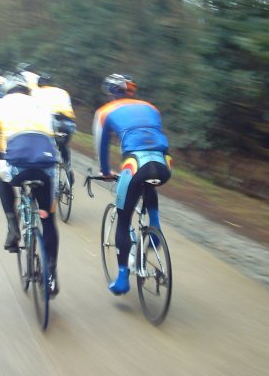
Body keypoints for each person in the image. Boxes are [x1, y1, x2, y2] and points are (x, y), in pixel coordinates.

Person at [93, 74, 172, 295]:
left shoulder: (105, 112)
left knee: (123, 219)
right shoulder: (151, 107)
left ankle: (121, 278)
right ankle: (154, 225)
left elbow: (102, 147)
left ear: (110, 93)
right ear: (131, 91)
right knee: (149, 185)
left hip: (135, 165)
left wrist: (106, 171)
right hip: (163, 165)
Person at [0, 74, 61, 297]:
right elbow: (53, 140)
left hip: (17, 167)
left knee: (1, 174)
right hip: (46, 167)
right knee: (49, 220)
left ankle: (12, 226)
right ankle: (50, 277)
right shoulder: (42, 105)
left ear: (6, 90)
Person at [33, 73, 77, 185]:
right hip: (67, 123)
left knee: (39, 145)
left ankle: (41, 174)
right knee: (63, 146)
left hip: (49, 122)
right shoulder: (63, 92)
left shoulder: (36, 92)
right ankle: (68, 168)